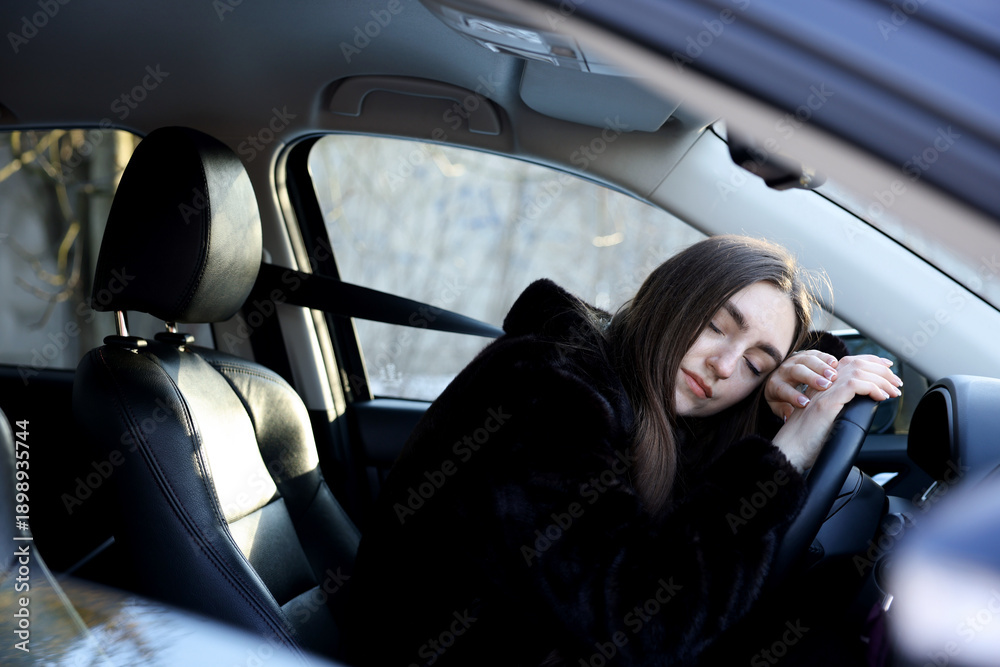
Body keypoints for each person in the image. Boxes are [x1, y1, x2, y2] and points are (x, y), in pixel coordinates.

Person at [344, 235, 902, 667]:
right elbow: (638, 619)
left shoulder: (647, 409)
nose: (726, 366)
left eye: (757, 365)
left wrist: (782, 401)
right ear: (669, 297)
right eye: (714, 326)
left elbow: (675, 537)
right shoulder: (546, 388)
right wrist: (790, 451)